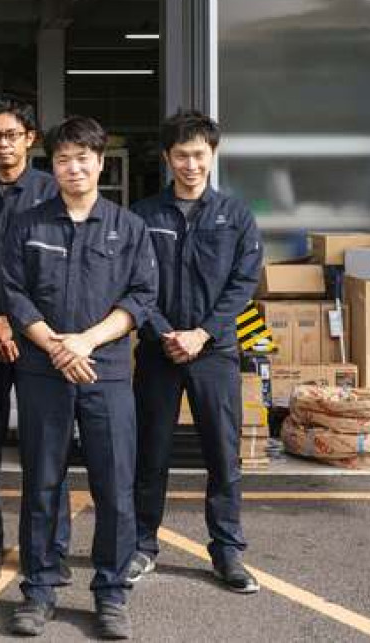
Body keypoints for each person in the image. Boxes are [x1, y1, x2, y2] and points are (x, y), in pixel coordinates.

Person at [0, 117, 157, 639]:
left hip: (104, 371)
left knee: (114, 485)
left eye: (83, 158)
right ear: (52, 165)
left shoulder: (128, 227)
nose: (74, 167)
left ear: (101, 162)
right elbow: (14, 293)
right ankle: (39, 589)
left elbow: (141, 297)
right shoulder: (28, 225)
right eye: (63, 159)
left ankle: (111, 593)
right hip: (43, 371)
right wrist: (55, 346)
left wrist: (86, 342)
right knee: (42, 483)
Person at [127, 109, 263, 593]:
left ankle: (227, 551)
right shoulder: (143, 216)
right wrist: (166, 333)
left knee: (223, 454)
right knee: (150, 451)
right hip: (158, 352)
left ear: (213, 154)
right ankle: (141, 545)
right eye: (181, 155)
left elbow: (243, 284)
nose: (190, 164)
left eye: (199, 155)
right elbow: (134, 282)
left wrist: (202, 333)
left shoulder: (236, 216)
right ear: (167, 158)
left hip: (215, 352)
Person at [0, 95, 69, 583]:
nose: (4, 144)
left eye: (12, 135)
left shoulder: (52, 191)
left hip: (41, 338)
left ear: (30, 139)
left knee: (46, 448)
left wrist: (26, 324)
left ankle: (50, 548)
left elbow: (61, 270)